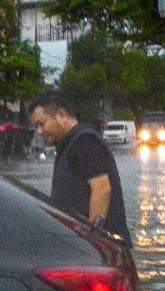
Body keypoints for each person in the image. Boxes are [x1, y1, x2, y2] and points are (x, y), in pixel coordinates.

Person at [29, 92, 131, 241]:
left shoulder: (84, 141)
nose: (39, 131)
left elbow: (102, 189)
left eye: (41, 123)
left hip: (102, 253)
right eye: (36, 126)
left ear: (61, 115)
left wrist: (92, 241)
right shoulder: (69, 144)